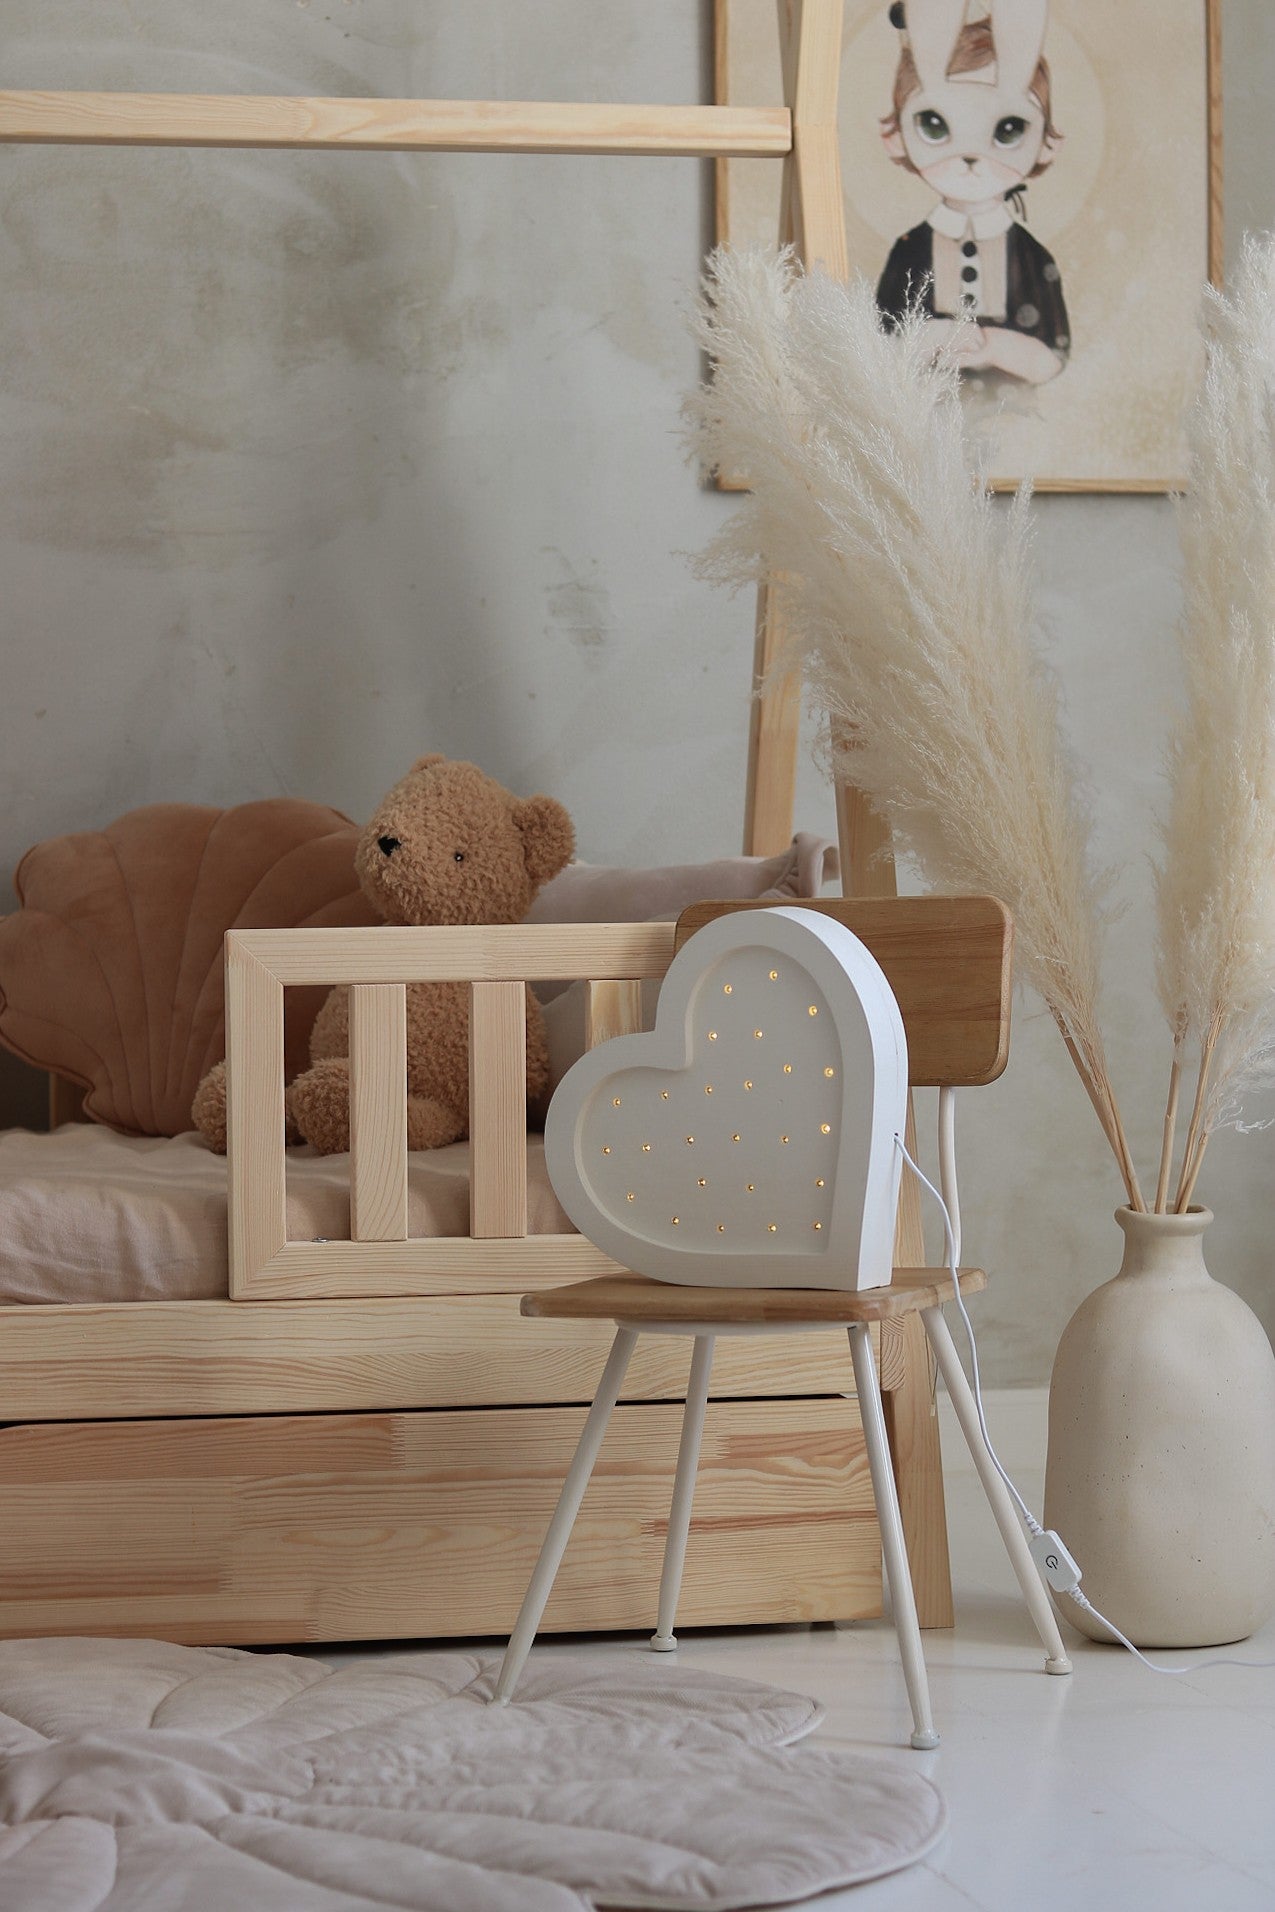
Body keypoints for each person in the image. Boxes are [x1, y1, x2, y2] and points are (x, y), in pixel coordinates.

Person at [876, 0, 1069, 386]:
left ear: (1046, 144)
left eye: (1008, 129)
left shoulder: (1030, 256)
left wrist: (993, 346)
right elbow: (878, 342)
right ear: (895, 137)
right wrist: (929, 340)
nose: (969, 158)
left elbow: (1055, 352)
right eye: (934, 125)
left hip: (1017, 423)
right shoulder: (909, 249)